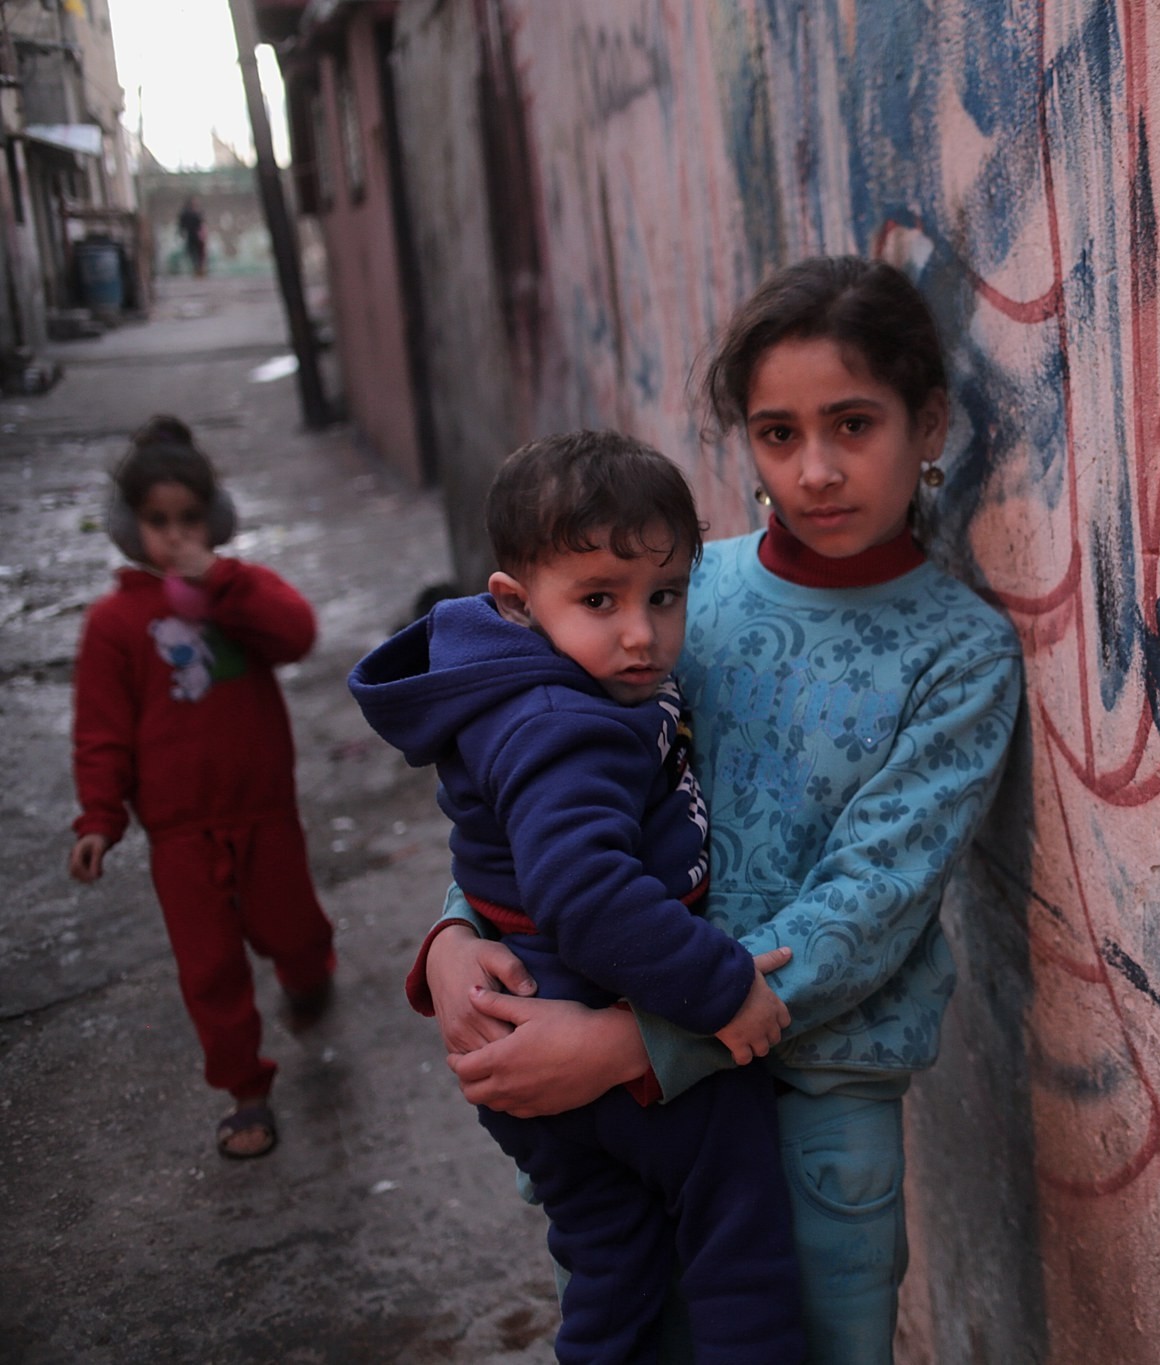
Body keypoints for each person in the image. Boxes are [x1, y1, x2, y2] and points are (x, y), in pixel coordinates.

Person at [418, 256, 1025, 1362]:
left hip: (811, 1103)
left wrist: (632, 1045)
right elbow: (542, 786)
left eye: (853, 425)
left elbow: (869, 904)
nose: (816, 470)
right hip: (618, 1111)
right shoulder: (672, 594)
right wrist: (456, 931)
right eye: (778, 434)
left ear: (929, 423)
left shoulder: (960, 653)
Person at [349, 431, 805, 1365]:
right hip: (585, 1006)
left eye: (664, 595)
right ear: (517, 602)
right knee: (739, 1230)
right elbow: (585, 895)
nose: (641, 633)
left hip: (524, 1037)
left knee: (611, 1262)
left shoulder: (533, 688)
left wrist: (451, 933)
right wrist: (723, 988)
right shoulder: (563, 720)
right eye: (599, 600)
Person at [68, 416, 335, 1159]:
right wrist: (98, 819)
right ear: (130, 527)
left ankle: (310, 975)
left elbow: (298, 633)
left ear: (214, 518)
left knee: (294, 930)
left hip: (264, 811)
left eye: (190, 519)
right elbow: (101, 732)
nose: (177, 537)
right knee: (209, 968)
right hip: (180, 832)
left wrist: (219, 580)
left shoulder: (240, 592)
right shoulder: (115, 622)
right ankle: (246, 1089)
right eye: (159, 522)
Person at [177, 198, 207, 278]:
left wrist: (203, 233)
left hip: (199, 236)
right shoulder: (186, 213)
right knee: (192, 253)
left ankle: (200, 270)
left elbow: (202, 224)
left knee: (200, 254)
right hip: (191, 235)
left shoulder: (199, 212)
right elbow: (182, 224)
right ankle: (196, 269)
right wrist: (181, 232)